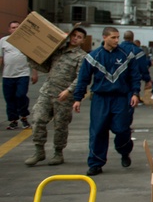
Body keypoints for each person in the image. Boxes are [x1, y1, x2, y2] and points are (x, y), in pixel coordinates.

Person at [73, 27, 140, 176]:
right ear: (104, 37)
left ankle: (124, 151)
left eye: (118, 37)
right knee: (98, 132)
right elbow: (83, 79)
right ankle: (96, 164)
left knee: (122, 129)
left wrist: (135, 93)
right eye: (113, 37)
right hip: (100, 98)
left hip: (121, 98)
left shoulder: (126, 55)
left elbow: (134, 76)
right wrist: (78, 98)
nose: (117, 40)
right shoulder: (93, 56)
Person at [25, 26, 87, 166]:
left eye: (79, 37)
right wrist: (30, 56)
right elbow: (45, 67)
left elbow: (81, 77)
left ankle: (58, 153)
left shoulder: (82, 57)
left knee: (60, 125)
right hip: (47, 92)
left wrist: (69, 90)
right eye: (74, 35)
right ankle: (39, 151)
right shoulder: (58, 52)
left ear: (83, 41)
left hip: (63, 96)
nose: (75, 38)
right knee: (37, 119)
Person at [1, 19, 38, 130]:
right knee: (9, 99)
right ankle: (13, 120)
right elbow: (1, 58)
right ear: (9, 29)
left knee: (20, 95)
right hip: (7, 76)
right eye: (13, 27)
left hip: (23, 74)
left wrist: (34, 73)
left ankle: (23, 116)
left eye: (18, 27)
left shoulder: (26, 40)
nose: (15, 29)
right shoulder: (3, 41)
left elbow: (32, 58)